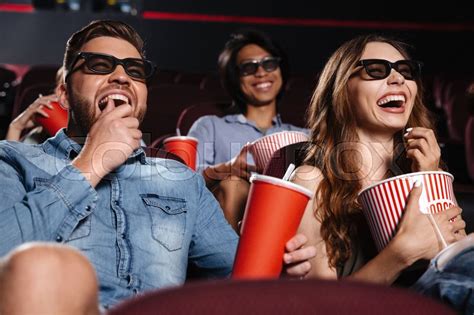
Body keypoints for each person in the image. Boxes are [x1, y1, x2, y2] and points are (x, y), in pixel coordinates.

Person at [0, 20, 316, 312]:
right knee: (39, 265)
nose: (121, 77)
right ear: (64, 94)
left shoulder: (179, 178)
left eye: (135, 71)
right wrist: (92, 162)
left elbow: (234, 276)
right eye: (99, 66)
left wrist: (277, 275)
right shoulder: (15, 160)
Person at [290, 34, 473, 313]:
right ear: (341, 89)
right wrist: (400, 253)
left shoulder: (424, 166)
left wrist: (428, 177)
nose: (398, 79)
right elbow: (321, 306)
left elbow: (452, 259)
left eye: (406, 71)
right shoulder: (311, 180)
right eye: (376, 70)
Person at [188, 29, 308, 230]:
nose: (261, 72)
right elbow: (182, 181)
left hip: (289, 217)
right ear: (236, 78)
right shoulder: (210, 126)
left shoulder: (305, 136)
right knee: (233, 183)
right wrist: (222, 171)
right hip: (229, 219)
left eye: (269, 64)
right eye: (248, 68)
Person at [5, 66, 64, 143]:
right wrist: (16, 127)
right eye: (60, 88)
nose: (61, 94)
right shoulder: (38, 135)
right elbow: (10, 154)